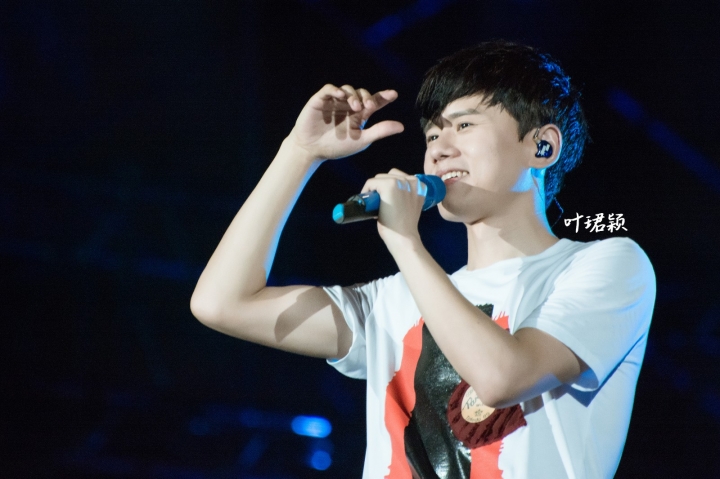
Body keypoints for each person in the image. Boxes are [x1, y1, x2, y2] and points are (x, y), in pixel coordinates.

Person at [190, 40, 656, 479]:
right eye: (433, 133)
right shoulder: (393, 301)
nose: (438, 148)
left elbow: (502, 378)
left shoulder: (608, 265)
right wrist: (299, 153)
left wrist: (405, 242)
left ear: (542, 147)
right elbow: (222, 303)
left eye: (464, 126)